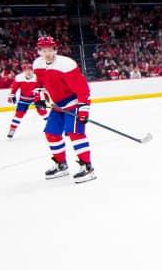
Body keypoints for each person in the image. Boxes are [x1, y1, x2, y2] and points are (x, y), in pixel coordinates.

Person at [33, 35, 96, 183]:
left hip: (73, 103)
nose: (47, 53)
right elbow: (39, 84)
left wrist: (83, 110)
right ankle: (61, 165)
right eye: (43, 50)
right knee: (51, 133)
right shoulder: (38, 64)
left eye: (50, 50)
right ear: (39, 51)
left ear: (55, 49)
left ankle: (87, 167)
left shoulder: (66, 64)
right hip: (57, 105)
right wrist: (39, 98)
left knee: (75, 133)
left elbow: (83, 89)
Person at [6, 63, 46, 139]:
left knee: (42, 112)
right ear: (23, 71)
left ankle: (53, 127)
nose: (28, 72)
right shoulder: (19, 78)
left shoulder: (37, 78)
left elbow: (40, 90)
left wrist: (39, 100)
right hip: (23, 99)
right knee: (18, 115)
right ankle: (12, 130)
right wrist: (12, 95)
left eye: (30, 70)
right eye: (26, 70)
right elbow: (14, 88)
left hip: (35, 97)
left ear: (33, 71)